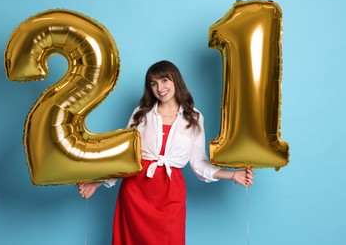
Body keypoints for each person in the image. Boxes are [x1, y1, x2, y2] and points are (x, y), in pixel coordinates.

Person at [77, 60, 254, 245]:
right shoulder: (141, 114)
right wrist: (96, 183)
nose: (159, 87)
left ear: (175, 80)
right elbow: (125, 157)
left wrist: (234, 175)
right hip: (135, 192)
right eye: (153, 83)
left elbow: (199, 164)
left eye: (164, 80)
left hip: (171, 194)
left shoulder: (194, 117)